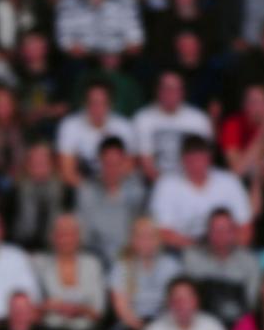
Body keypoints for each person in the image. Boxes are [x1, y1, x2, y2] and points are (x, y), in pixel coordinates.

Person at [149, 135, 252, 249]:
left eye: (201, 159)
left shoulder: (229, 182)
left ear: (209, 159)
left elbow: (245, 230)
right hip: (181, 253)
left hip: (226, 252)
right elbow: (163, 233)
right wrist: (200, 251)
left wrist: (220, 249)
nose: (197, 165)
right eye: (191, 161)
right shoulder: (166, 185)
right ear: (182, 160)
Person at [182, 210, 260, 326]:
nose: (220, 235)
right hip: (201, 326)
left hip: (239, 325)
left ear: (234, 232)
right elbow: (186, 301)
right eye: (216, 230)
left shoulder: (249, 261)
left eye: (225, 230)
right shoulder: (192, 258)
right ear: (207, 232)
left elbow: (253, 303)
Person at [76, 137, 147, 266]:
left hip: (130, 255)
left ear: (124, 163)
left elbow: (141, 228)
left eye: (117, 164)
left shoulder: (137, 191)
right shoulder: (87, 191)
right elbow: (84, 234)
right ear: (99, 163)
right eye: (107, 164)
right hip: (97, 256)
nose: (112, 170)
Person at [132, 70, 213, 182]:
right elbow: (146, 164)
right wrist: (167, 189)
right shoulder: (143, 118)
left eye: (176, 89)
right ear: (157, 90)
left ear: (183, 91)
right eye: (166, 88)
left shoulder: (198, 120)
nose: (171, 93)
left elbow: (203, 160)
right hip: (154, 183)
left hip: (191, 183)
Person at [55, 80, 135, 187]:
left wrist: (109, 192)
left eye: (103, 103)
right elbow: (67, 172)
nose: (97, 108)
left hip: (117, 189)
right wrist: (91, 194)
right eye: (92, 102)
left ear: (111, 104)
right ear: (84, 104)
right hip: (82, 188)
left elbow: (128, 167)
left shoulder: (124, 126)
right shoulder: (69, 125)